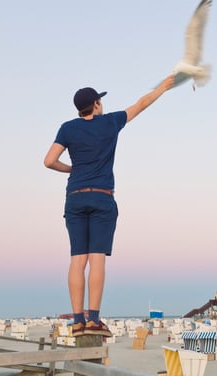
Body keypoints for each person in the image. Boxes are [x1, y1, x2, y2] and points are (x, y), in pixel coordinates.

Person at [44, 75, 174, 336]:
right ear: (96, 104)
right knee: (97, 259)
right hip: (102, 197)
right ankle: (93, 319)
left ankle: (78, 321)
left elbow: (48, 161)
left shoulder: (67, 128)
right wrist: (164, 86)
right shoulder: (110, 122)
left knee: (77, 260)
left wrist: (72, 169)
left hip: (75, 196)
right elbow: (142, 103)